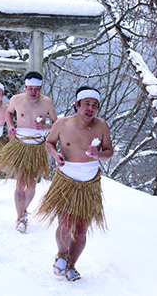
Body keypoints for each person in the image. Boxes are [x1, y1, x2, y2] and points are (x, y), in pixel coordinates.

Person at [36, 86, 113, 281]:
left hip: (90, 183)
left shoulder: (101, 125)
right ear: (77, 104)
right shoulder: (62, 124)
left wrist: (99, 155)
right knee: (65, 224)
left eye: (95, 105)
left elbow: (109, 151)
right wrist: (56, 155)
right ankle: (62, 254)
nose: (91, 108)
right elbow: (49, 143)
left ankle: (71, 264)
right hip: (66, 180)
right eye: (87, 103)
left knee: (80, 231)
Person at [0, 71, 57, 233]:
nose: (33, 92)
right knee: (20, 183)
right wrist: (10, 126)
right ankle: (20, 217)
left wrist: (44, 127)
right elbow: (9, 113)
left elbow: (56, 124)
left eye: (37, 89)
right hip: (20, 144)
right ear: (25, 86)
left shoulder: (47, 103)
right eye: (30, 88)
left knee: (31, 186)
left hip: (37, 146)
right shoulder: (16, 100)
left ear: (40, 88)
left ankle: (24, 210)